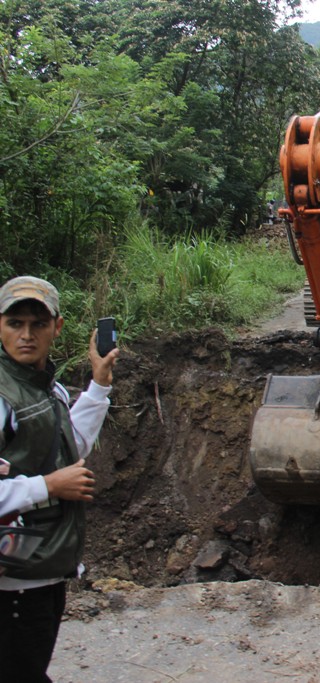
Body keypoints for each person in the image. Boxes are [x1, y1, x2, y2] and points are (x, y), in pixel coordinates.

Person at [0, 276, 119, 682]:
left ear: (58, 327)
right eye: (15, 323)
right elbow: (56, 474)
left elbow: (70, 447)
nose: (27, 335)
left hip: (42, 569)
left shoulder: (46, 391)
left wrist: (99, 383)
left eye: (38, 324)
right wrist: (47, 487)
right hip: (12, 577)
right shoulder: (3, 397)